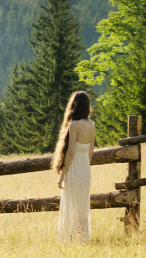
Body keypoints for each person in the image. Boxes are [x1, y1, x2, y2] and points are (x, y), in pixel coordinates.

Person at [51, 91, 96, 242]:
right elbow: (91, 151)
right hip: (85, 170)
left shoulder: (74, 125)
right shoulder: (91, 125)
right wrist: (85, 166)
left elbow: (70, 152)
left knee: (71, 204)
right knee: (83, 205)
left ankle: (71, 238)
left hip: (74, 169)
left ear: (74, 106)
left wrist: (62, 175)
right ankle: (84, 237)